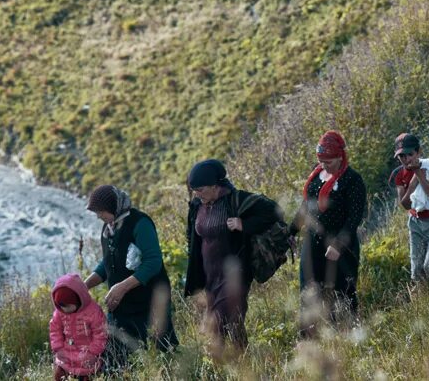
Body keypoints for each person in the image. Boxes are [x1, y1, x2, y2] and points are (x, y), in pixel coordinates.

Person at [183, 159, 280, 350]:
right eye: (194, 190)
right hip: (210, 275)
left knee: (224, 321)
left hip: (235, 273)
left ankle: (236, 364)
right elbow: (192, 234)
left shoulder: (237, 200)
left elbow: (274, 211)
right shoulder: (197, 205)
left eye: (201, 189)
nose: (197, 194)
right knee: (226, 324)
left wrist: (244, 225)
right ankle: (238, 362)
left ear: (215, 186)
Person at [82, 184, 177, 371]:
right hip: (122, 304)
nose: (98, 216)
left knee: (162, 352)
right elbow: (107, 263)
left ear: (114, 208)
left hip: (149, 300)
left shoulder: (140, 224)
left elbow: (152, 262)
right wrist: (84, 286)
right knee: (114, 358)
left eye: (101, 211)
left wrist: (121, 287)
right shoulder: (108, 228)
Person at [296, 130, 367, 331]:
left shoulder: (352, 180)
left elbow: (354, 218)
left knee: (344, 292)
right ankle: (308, 338)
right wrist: (290, 232)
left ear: (340, 157)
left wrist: (338, 244)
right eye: (321, 161)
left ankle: (347, 334)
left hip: (341, 243)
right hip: (314, 242)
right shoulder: (317, 175)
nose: (324, 165)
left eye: (329, 161)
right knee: (308, 291)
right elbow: (305, 207)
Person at [391, 132, 429, 284]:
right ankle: (423, 302)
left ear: (418, 152)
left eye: (409, 154)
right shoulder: (399, 175)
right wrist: (411, 186)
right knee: (417, 270)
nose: (406, 159)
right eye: (401, 156)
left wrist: (418, 172)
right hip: (416, 224)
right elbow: (404, 204)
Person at [48, 273, 108, 381]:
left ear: (78, 300)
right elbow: (55, 330)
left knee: (86, 375)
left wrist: (93, 352)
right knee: (59, 375)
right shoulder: (60, 312)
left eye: (67, 306)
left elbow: (100, 333)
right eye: (60, 306)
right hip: (66, 352)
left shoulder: (93, 311)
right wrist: (58, 348)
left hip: (87, 354)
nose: (64, 310)